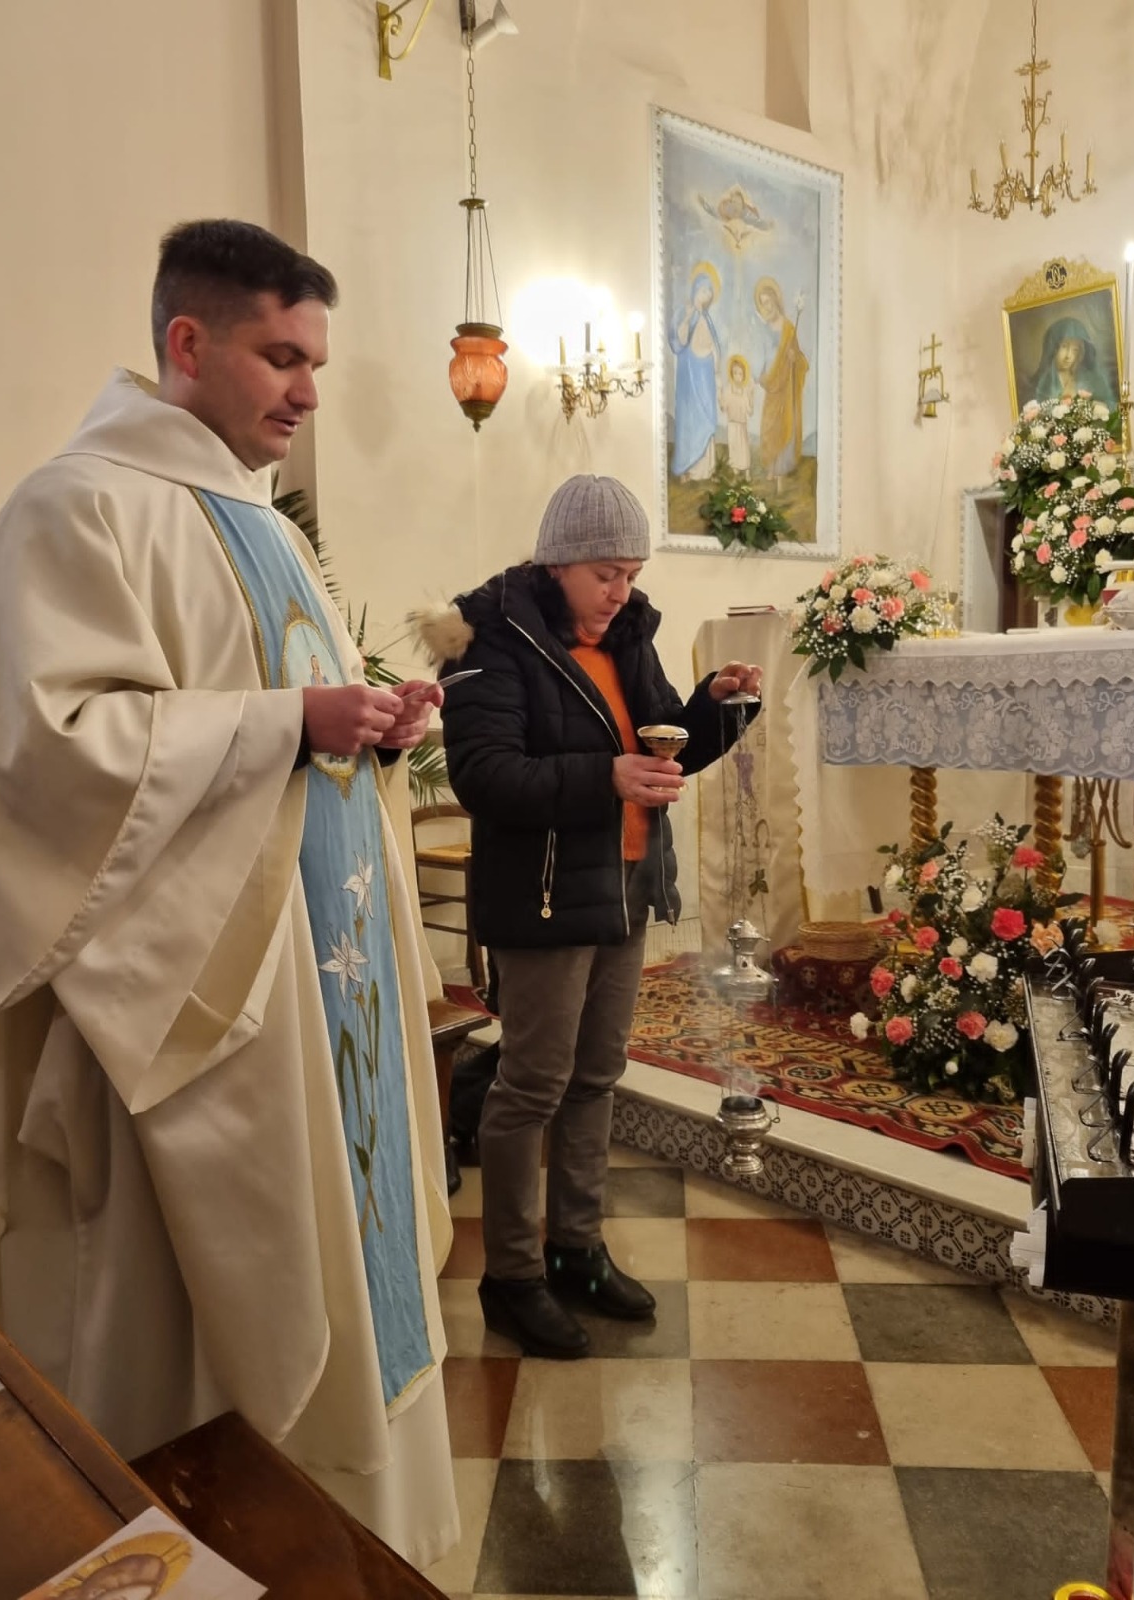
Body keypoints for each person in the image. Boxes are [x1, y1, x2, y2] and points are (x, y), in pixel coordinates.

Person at [0, 219, 458, 1566]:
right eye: (281, 357)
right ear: (186, 342)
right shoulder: (76, 507)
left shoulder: (267, 526)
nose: (308, 393)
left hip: (320, 991)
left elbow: (297, 725)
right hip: (200, 1011)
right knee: (190, 1329)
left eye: (316, 364)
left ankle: (343, 1554)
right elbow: (46, 749)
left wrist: (371, 727)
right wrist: (289, 721)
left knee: (346, 1263)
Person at [422, 474, 761, 1359]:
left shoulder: (627, 636)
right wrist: (604, 777)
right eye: (606, 573)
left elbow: (658, 744)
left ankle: (576, 1249)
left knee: (597, 1075)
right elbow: (484, 775)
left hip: (624, 886)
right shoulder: (492, 639)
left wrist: (716, 709)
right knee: (532, 1084)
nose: (621, 590)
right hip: (542, 895)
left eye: (632, 573)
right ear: (558, 563)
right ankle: (512, 1277)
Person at [754, 276, 808, 482]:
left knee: (783, 423)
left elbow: (800, 359)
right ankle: (771, 465)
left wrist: (795, 359)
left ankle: (781, 468)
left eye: (769, 301)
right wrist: (760, 374)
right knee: (770, 424)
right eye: (763, 303)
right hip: (771, 381)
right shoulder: (764, 329)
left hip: (785, 384)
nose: (767, 307)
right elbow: (761, 354)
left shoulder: (789, 329)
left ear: (776, 300)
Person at [669, 270, 722, 480]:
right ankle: (688, 468)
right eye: (703, 291)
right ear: (695, 291)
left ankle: (706, 469)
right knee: (691, 418)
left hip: (706, 373)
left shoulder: (707, 318)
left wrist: (716, 364)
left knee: (707, 416)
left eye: (709, 292)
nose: (706, 295)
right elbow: (679, 341)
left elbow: (713, 344)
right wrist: (688, 317)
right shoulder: (686, 312)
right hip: (690, 373)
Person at [1030, 314, 1116, 407]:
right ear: (1054, 348)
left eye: (1075, 350)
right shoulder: (1041, 382)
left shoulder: (1091, 378)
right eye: (1064, 346)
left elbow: (1111, 406)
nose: (1068, 356)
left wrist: (1096, 406)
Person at [719, 354, 755, 473]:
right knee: (733, 447)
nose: (737, 376)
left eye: (740, 373)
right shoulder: (728, 390)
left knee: (743, 448)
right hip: (732, 424)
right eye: (735, 373)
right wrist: (719, 395)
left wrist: (751, 395)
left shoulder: (745, 391)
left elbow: (750, 412)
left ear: (744, 375)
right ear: (731, 373)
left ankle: (746, 471)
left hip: (742, 424)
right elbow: (723, 408)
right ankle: (735, 470)